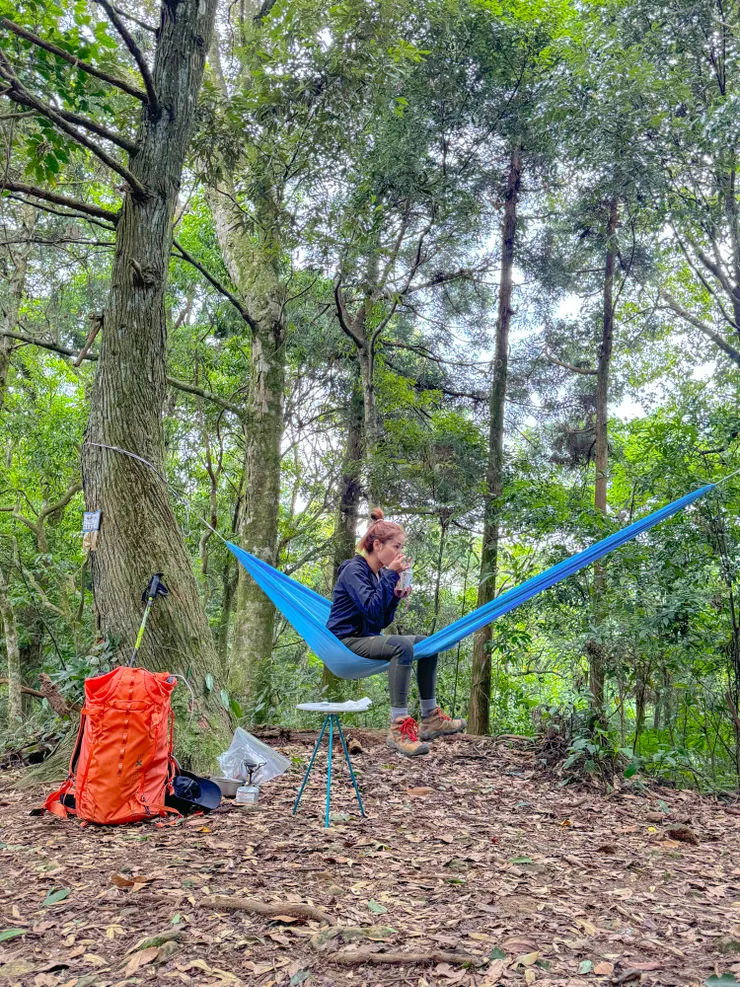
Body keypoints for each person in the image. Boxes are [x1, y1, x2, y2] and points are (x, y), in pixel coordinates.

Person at [327, 508, 466, 756]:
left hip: (367, 637)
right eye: (396, 547)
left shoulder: (377, 574)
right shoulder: (354, 570)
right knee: (402, 646)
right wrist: (391, 576)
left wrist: (395, 597)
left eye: (401, 548)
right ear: (378, 545)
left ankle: (431, 717)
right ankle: (398, 728)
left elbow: (380, 619)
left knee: (427, 643)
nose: (399, 553)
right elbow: (370, 608)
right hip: (345, 642)